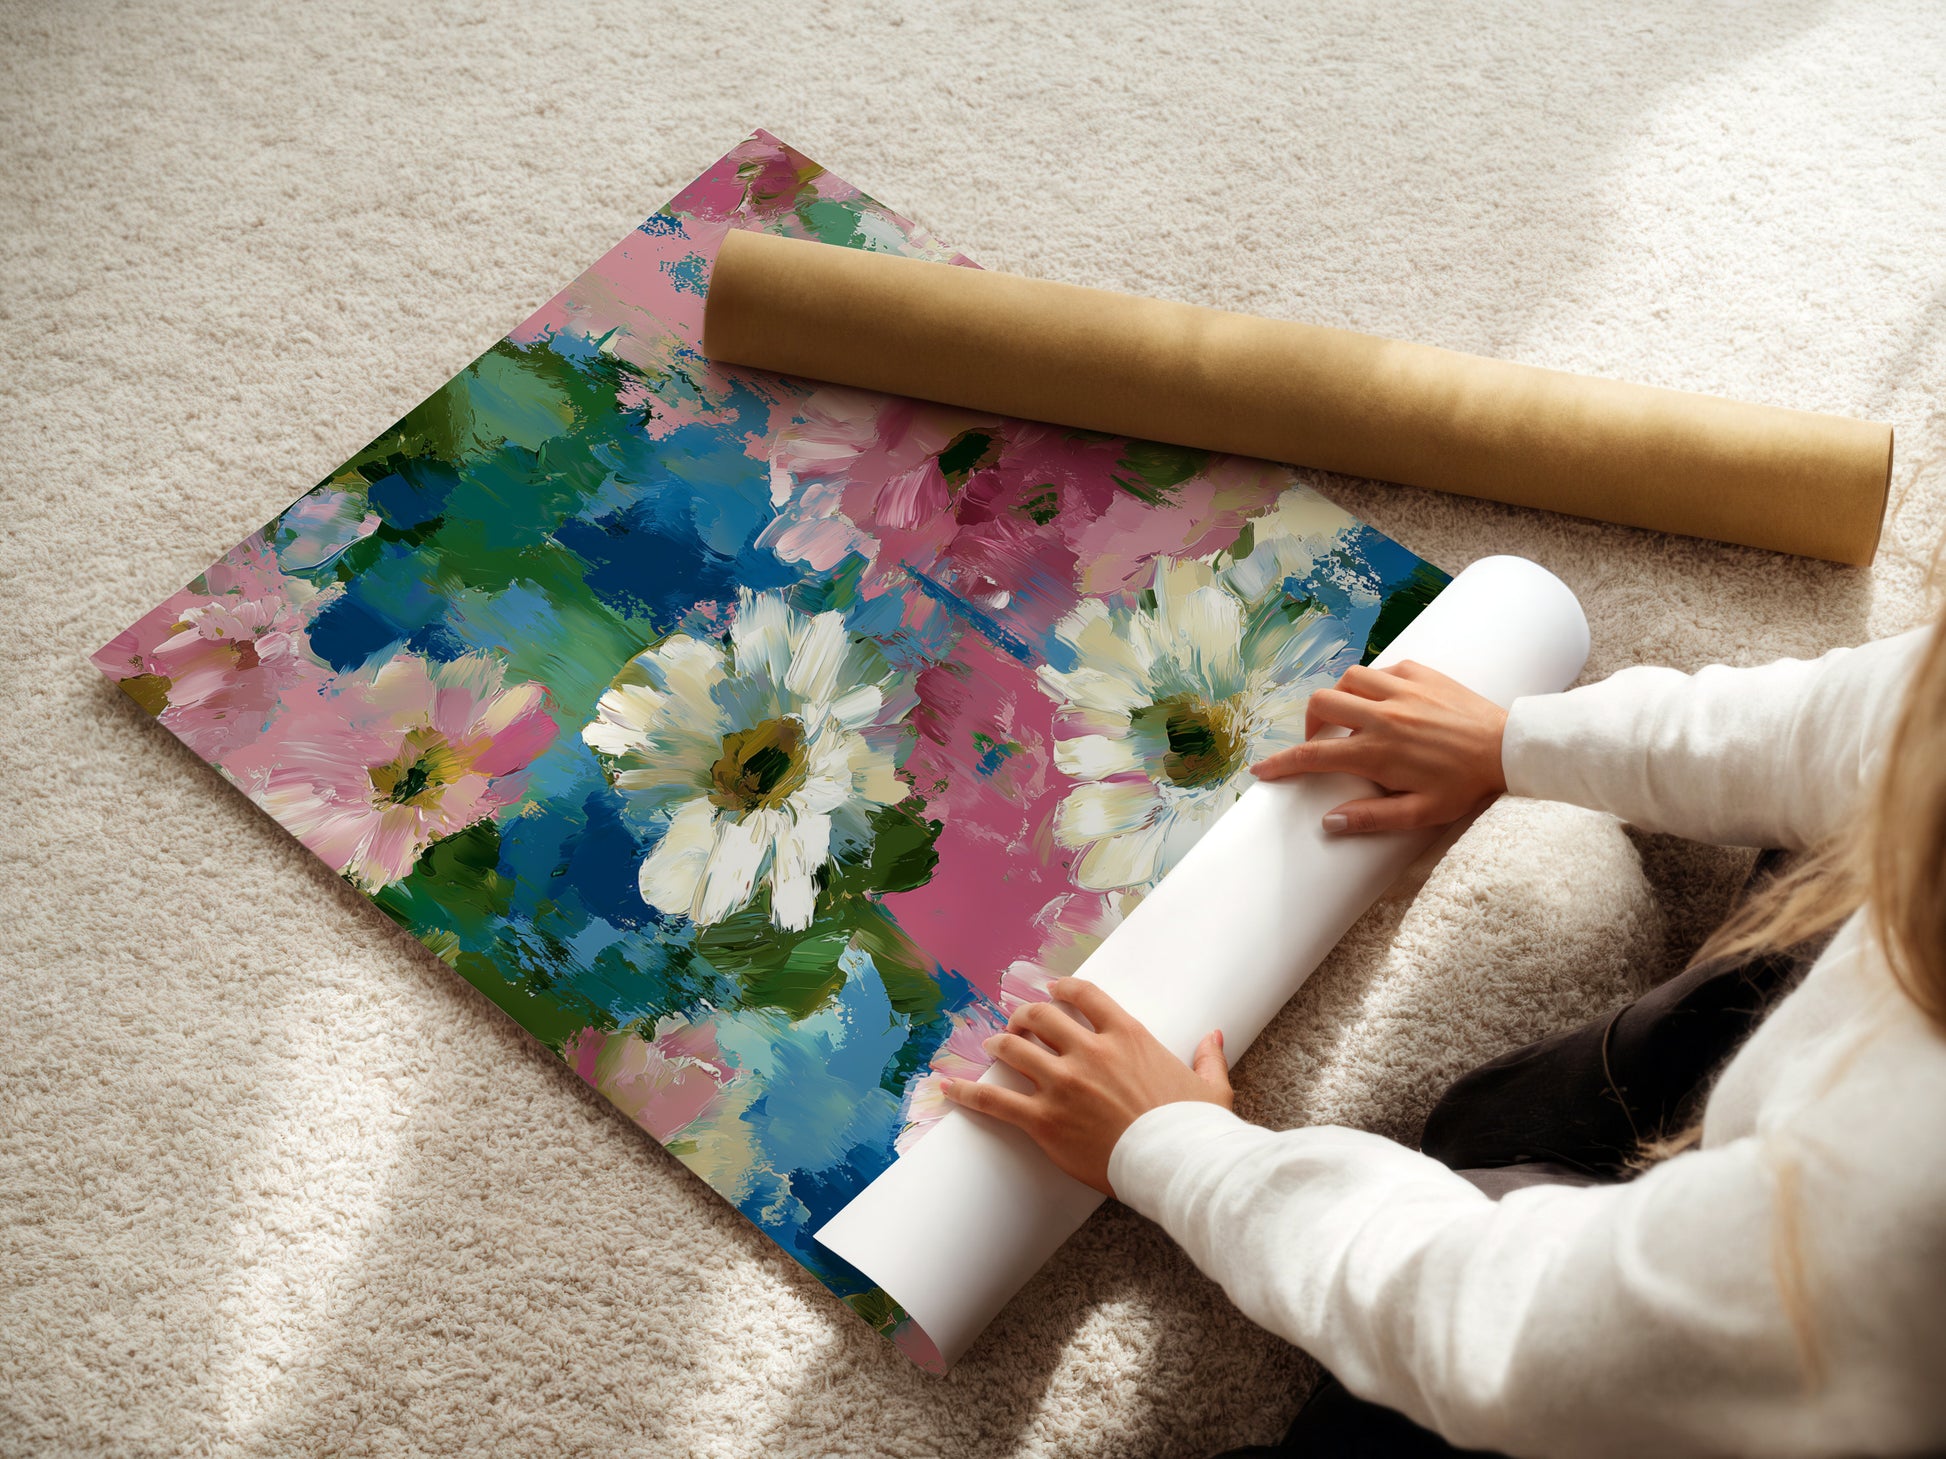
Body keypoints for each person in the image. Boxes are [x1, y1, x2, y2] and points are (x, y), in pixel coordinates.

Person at [941, 611, 1946, 1457]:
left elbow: (1512, 1331)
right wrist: (1513, 740)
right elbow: (1864, 719)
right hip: (1808, 1141)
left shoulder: (1895, 1212)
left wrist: (1173, 1148)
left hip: (1789, 1366)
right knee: (1502, 1122)